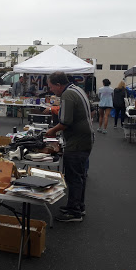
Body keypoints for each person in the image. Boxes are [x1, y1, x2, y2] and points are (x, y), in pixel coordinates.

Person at [45, 71, 93, 222]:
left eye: (52, 87)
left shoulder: (67, 95)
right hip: (85, 139)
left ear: (59, 85)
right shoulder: (77, 89)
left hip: (77, 142)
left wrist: (51, 131)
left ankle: (74, 212)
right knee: (79, 176)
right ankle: (78, 205)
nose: (51, 90)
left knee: (74, 177)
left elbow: (65, 121)